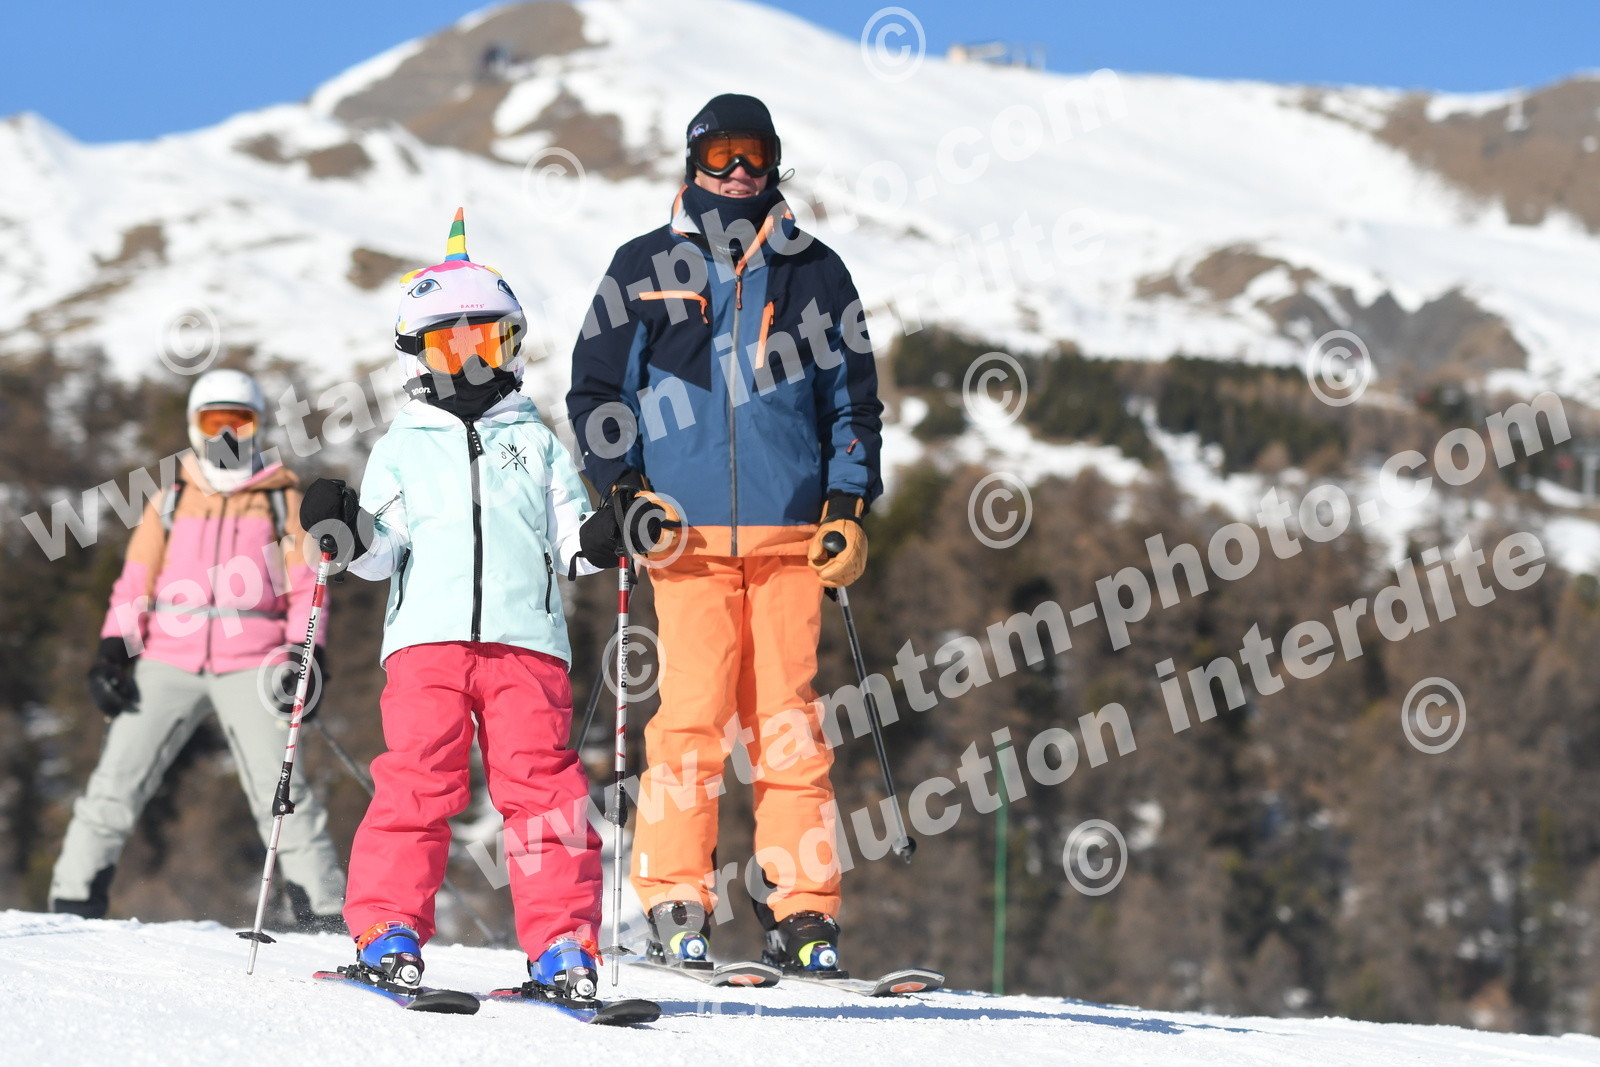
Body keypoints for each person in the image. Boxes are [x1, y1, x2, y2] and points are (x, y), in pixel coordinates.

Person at [567, 93, 884, 972]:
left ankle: (803, 912)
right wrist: (624, 490)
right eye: (722, 155)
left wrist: (847, 505)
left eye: (755, 153)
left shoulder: (817, 270)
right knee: (691, 723)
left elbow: (853, 401)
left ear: (775, 162)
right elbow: (596, 394)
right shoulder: (643, 265)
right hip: (685, 540)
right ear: (693, 161)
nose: (740, 170)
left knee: (791, 729)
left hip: (790, 539)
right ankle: (676, 900)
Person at [301, 211, 607, 1000]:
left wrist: (608, 534)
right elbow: (381, 551)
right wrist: (345, 527)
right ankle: (388, 928)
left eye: (486, 344)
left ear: (511, 346)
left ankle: (563, 944)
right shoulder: (402, 445)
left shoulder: (538, 442)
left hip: (527, 643)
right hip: (428, 643)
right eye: (448, 347)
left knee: (546, 793)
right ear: (419, 355)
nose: (469, 364)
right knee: (417, 781)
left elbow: (573, 540)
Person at [50, 369, 345, 930]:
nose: (227, 434)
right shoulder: (171, 497)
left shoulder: (282, 500)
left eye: (240, 421)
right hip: (168, 656)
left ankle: (323, 911)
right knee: (115, 782)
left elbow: (307, 586)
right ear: (194, 426)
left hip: (253, 659)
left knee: (283, 788)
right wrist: (113, 650)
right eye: (215, 422)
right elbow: (135, 581)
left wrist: (306, 653)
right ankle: (73, 902)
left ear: (258, 426)